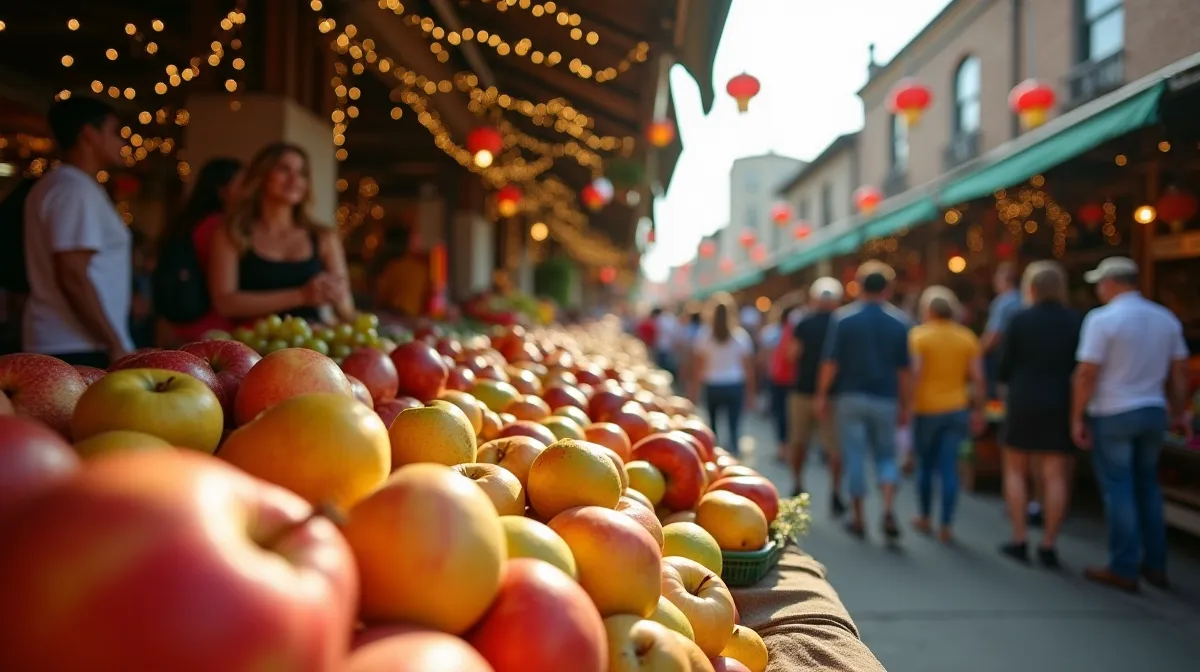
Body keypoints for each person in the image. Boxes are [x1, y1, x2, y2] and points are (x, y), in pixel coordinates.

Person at [1072, 257, 1192, 592]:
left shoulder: (1102, 319)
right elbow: (1179, 372)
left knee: (1119, 488)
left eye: (1099, 283)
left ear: (1111, 283)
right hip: (1153, 410)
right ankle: (1155, 564)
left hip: (1114, 411)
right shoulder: (1164, 318)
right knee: (1147, 487)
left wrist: (1077, 415)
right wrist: (1179, 411)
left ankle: (1124, 566)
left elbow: (1086, 373)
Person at [22, 97, 133, 368]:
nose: (122, 142)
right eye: (114, 132)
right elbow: (72, 274)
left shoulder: (71, 186)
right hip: (74, 344)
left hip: (72, 340)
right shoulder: (74, 190)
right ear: (88, 135)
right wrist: (113, 341)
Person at [816, 262, 911, 539]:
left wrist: (822, 395)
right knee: (886, 456)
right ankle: (889, 508)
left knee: (854, 455)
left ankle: (858, 518)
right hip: (886, 398)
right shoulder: (899, 322)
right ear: (887, 288)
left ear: (859, 286)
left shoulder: (844, 319)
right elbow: (904, 371)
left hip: (850, 397)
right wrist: (907, 405)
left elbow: (830, 363)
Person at [208, 142, 354, 324]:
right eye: (284, 170)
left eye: (301, 173)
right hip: (251, 346)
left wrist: (337, 299)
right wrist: (301, 295)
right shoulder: (232, 232)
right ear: (261, 176)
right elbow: (225, 303)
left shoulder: (323, 236)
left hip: (311, 346)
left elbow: (346, 307)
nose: (294, 180)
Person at [996, 261, 1081, 567]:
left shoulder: (1020, 319)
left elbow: (1003, 367)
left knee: (1016, 469)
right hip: (1061, 401)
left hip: (1024, 399)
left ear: (1031, 288)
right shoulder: (1076, 321)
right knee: (1055, 474)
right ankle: (1049, 544)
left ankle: (1020, 538)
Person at [908, 286, 985, 543]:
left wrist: (907, 405)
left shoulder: (919, 336)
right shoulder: (967, 337)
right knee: (949, 468)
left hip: (926, 410)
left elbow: (915, 375)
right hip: (957, 409)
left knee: (926, 467)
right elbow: (978, 378)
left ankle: (925, 516)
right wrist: (979, 409)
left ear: (928, 310)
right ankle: (946, 525)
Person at [160, 158, 243, 343]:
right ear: (222, 191)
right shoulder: (218, 227)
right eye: (242, 184)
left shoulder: (187, 222)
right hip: (212, 330)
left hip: (180, 325)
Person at [788, 278, 844, 503]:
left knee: (799, 442)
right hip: (833, 394)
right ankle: (836, 490)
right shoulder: (842, 324)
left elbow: (791, 354)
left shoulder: (804, 323)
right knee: (834, 447)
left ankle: (798, 483)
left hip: (802, 391)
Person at [691, 292, 756, 453]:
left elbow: (698, 367)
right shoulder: (740, 336)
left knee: (713, 427)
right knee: (734, 425)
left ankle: (715, 454)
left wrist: (694, 391)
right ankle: (733, 452)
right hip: (734, 385)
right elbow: (748, 368)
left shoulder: (704, 335)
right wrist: (751, 393)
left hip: (712, 385)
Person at [763, 302, 797, 462]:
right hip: (789, 379)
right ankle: (786, 447)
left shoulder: (772, 333)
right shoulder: (793, 332)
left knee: (782, 415)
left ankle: (784, 447)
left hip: (778, 378)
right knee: (786, 415)